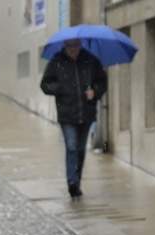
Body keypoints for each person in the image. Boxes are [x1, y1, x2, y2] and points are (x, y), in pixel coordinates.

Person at [40, 39, 107, 198]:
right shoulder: (57, 61)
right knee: (71, 147)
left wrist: (95, 92)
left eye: (76, 45)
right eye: (70, 46)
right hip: (67, 114)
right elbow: (45, 85)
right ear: (65, 46)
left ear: (80, 45)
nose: (73, 49)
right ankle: (72, 182)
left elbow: (102, 81)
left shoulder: (90, 60)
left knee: (80, 150)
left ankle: (77, 181)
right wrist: (60, 88)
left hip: (86, 112)